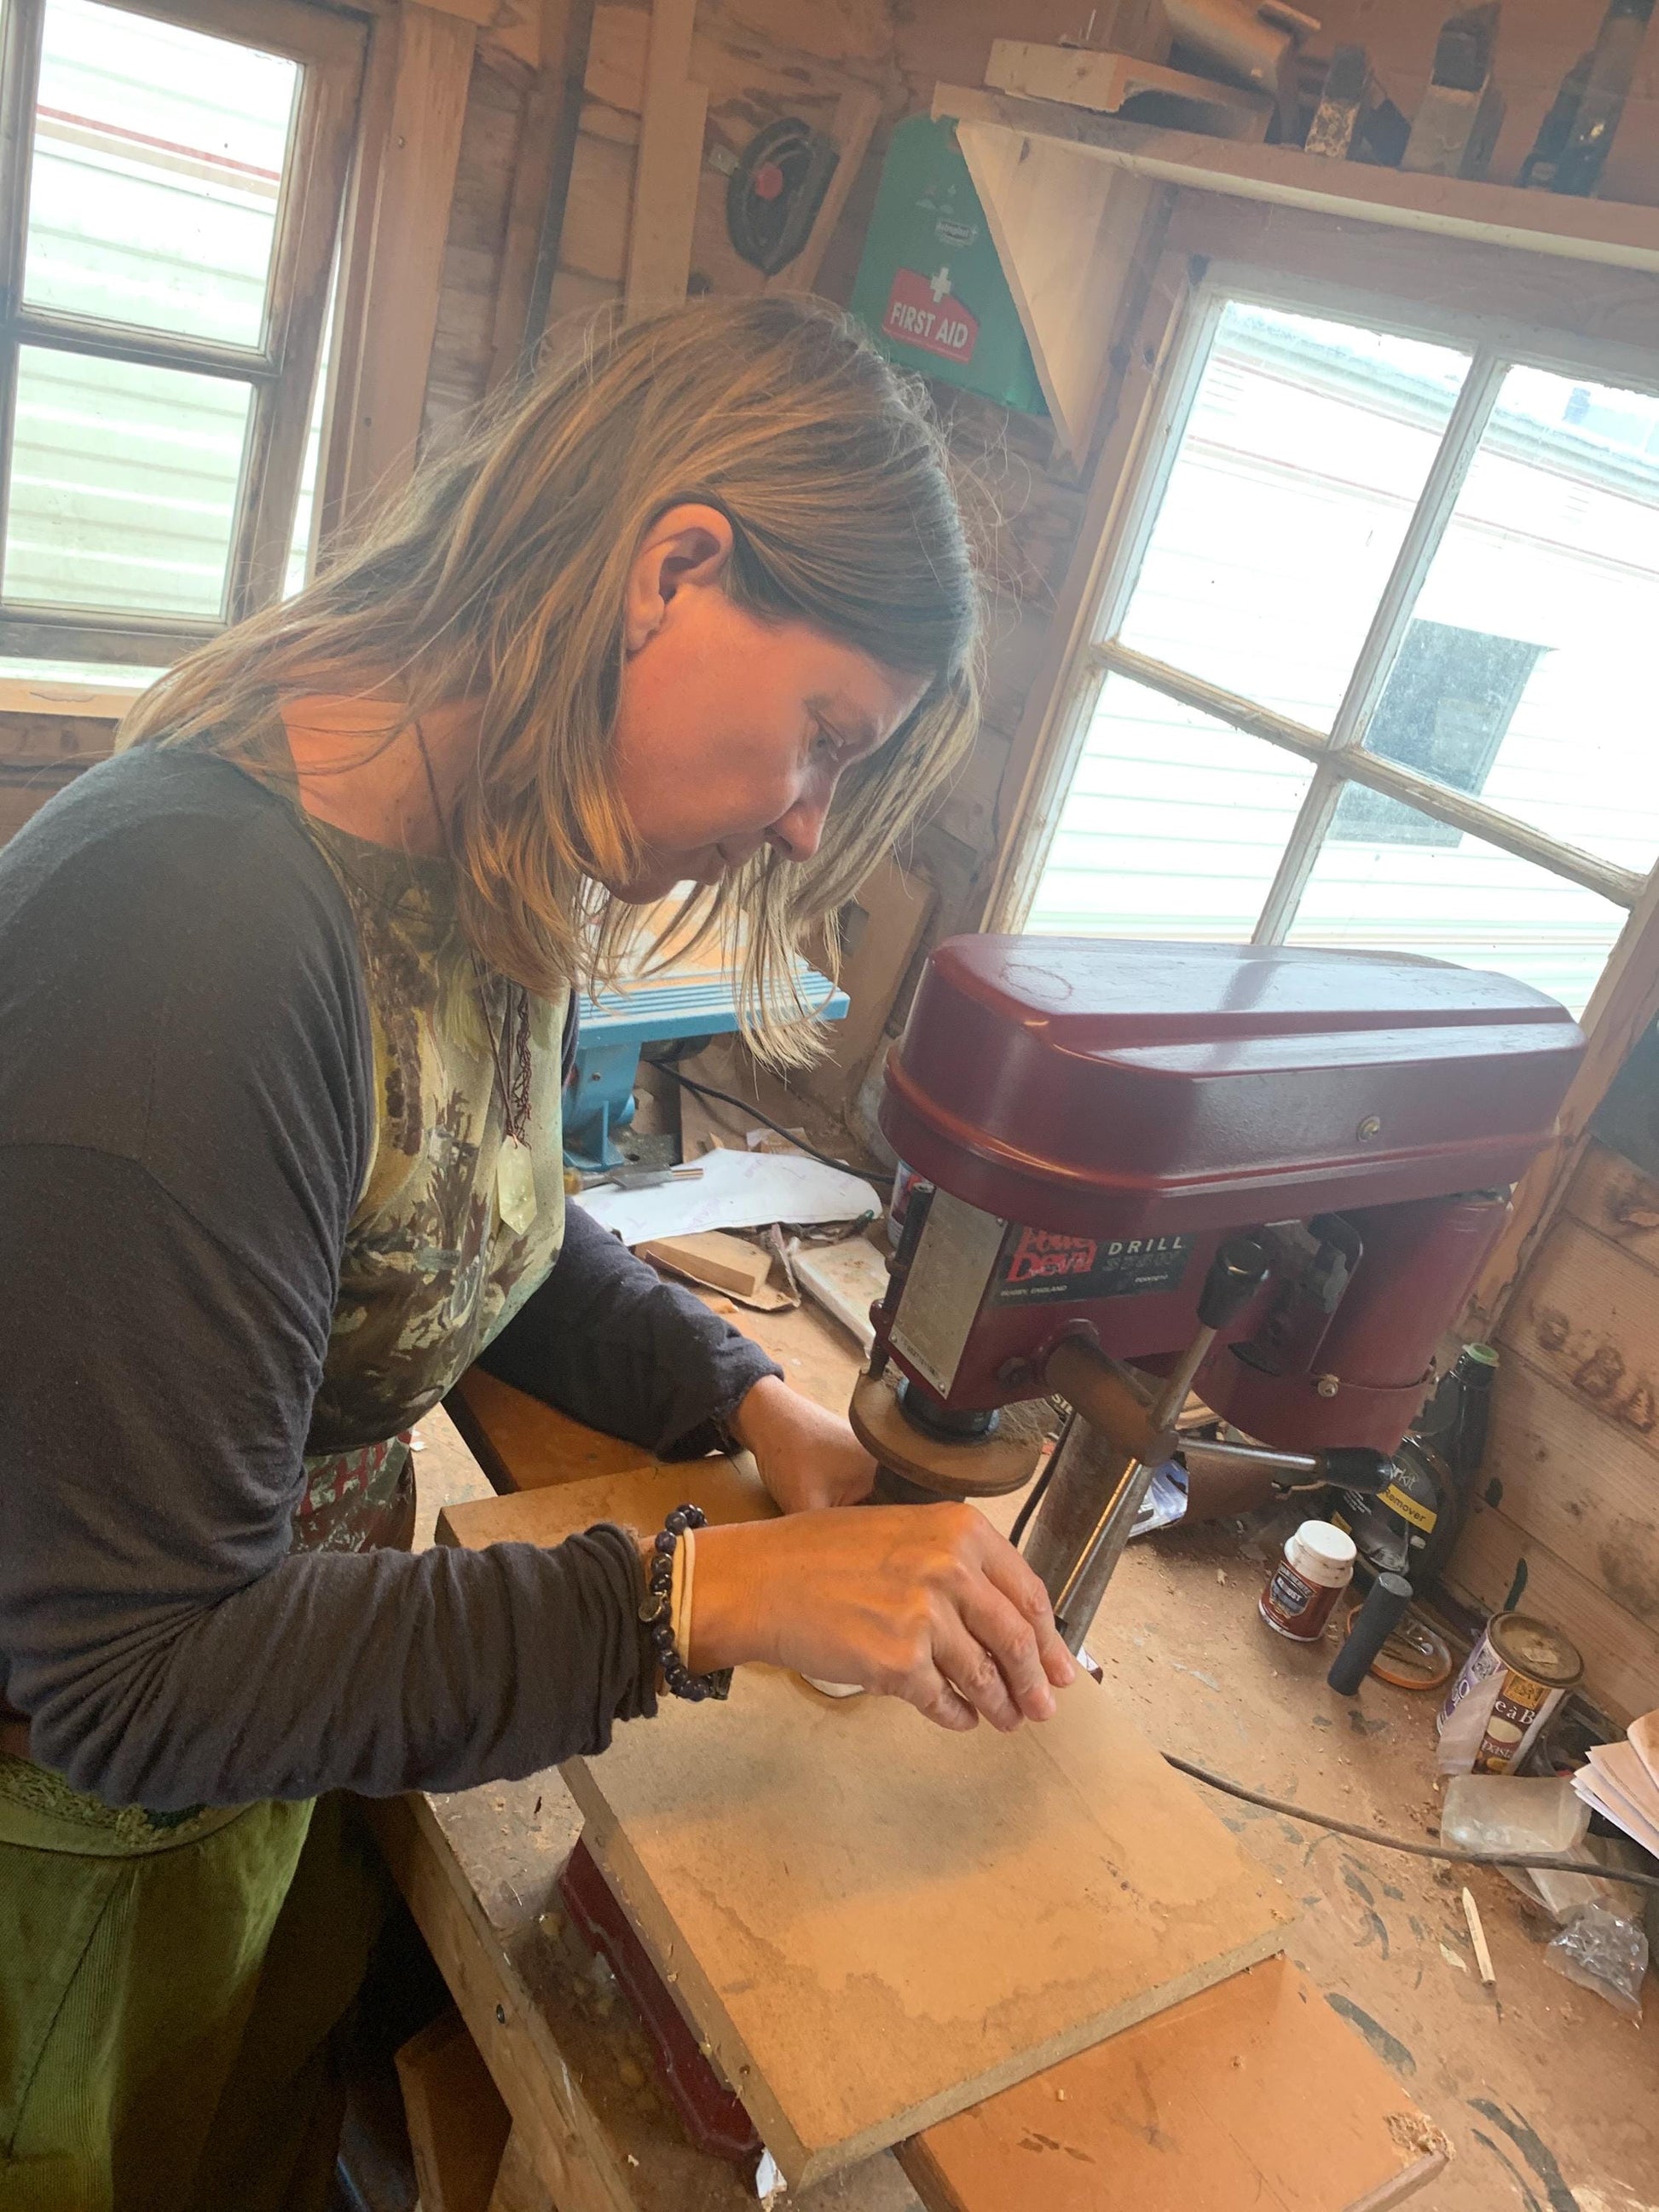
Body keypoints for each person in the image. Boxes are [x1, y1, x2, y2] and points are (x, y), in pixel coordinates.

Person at [0, 295, 1074, 2210]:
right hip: (72, 1842)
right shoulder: (198, 937)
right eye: (822, 737)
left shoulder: (466, 839)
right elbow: (139, 1673)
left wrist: (743, 1396)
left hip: (268, 1750)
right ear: (672, 569)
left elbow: (458, 1207)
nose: (804, 821)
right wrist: (697, 1599)